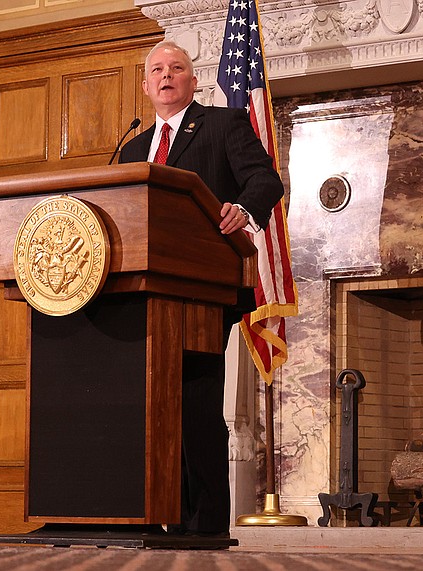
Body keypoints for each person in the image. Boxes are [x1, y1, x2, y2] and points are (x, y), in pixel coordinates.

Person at [119, 40, 284, 537]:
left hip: (202, 288)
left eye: (177, 68)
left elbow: (265, 180)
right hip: (142, 296)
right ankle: (156, 514)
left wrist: (244, 211)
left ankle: (204, 525)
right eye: (157, 70)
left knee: (195, 401)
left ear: (194, 81)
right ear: (146, 85)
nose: (166, 76)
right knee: (151, 408)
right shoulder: (130, 149)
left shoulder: (221, 125)